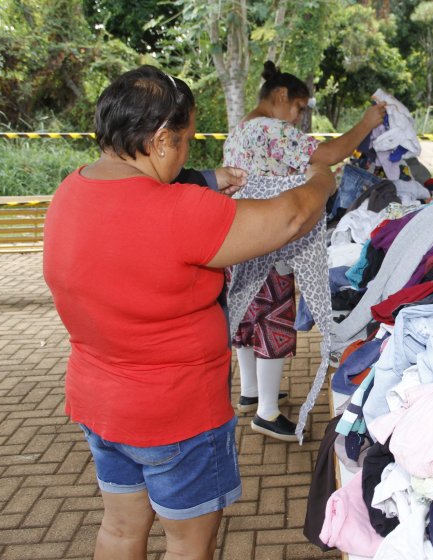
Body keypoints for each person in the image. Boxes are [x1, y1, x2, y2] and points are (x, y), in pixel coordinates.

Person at [42, 65, 336, 560]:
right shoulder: (178, 212)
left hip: (101, 407)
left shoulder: (71, 192)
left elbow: (134, 209)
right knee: (188, 545)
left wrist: (207, 179)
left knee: (118, 530)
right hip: (175, 415)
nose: (184, 154)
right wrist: (322, 181)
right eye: (183, 142)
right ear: (159, 140)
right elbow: (288, 218)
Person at [223, 60, 386, 441]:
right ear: (280, 97)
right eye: (299, 108)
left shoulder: (240, 130)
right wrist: (367, 122)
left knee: (247, 320)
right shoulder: (272, 129)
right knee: (272, 321)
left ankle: (251, 393)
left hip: (239, 238)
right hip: (269, 242)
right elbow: (328, 155)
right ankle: (266, 412)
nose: (298, 118)